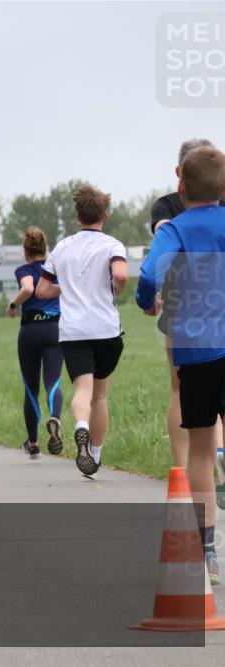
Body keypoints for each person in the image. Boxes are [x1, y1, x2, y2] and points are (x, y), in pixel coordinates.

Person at [136, 144, 225, 585]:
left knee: (202, 450)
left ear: (181, 184)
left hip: (196, 350)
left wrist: (143, 301)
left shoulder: (174, 229)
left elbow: (150, 275)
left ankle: (207, 551)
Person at [36, 186, 128, 478]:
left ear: (77, 216)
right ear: (105, 215)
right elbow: (122, 274)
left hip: (74, 331)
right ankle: (96, 457)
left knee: (82, 390)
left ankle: (80, 428)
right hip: (106, 329)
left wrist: (71, 287)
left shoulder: (62, 247)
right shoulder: (112, 244)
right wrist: (116, 288)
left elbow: (41, 289)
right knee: (100, 395)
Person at [150, 138, 225, 468]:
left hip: (183, 313)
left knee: (179, 390)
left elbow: (159, 249)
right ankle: (220, 453)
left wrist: (145, 297)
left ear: (180, 175)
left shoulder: (167, 209)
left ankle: (185, 469)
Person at [6, 227, 64, 458]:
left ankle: (33, 444)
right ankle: (55, 418)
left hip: (30, 331)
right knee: (53, 383)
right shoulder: (56, 268)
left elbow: (28, 287)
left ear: (25, 250)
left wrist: (13, 306)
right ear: (45, 248)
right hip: (55, 329)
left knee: (31, 389)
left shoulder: (25, 269)